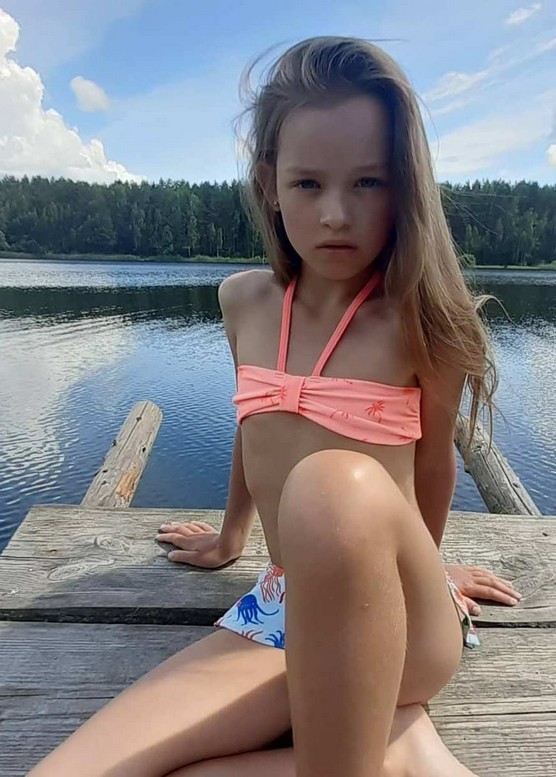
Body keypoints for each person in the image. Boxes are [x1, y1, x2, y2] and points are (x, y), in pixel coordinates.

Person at [29, 36, 523, 777]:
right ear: (269, 184)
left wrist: (427, 567)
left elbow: (431, 466)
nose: (335, 214)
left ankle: (379, 727)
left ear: (404, 187)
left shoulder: (423, 322)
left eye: (368, 183)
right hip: (283, 603)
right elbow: (253, 426)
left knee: (333, 485)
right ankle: (398, 752)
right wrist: (232, 536)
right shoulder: (245, 302)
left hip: (397, 610)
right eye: (308, 184)